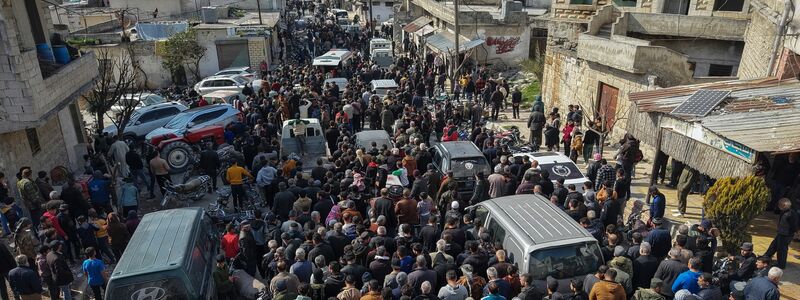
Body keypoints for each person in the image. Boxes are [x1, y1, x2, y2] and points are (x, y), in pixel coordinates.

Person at [763, 198, 798, 269]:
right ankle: (766, 256)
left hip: (786, 234)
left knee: (781, 249)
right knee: (774, 245)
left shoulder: (790, 214)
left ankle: (781, 264)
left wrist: (795, 232)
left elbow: (794, 225)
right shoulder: (785, 212)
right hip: (781, 232)